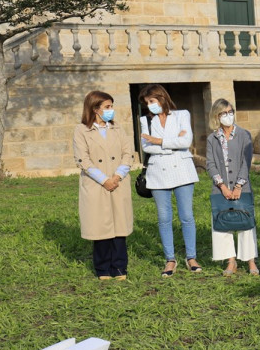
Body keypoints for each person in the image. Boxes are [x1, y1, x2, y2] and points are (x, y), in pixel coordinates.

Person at [138, 84, 201, 276]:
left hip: (182, 170)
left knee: (187, 216)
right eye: (147, 103)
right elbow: (146, 147)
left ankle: (191, 257)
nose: (150, 105)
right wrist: (173, 142)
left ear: (162, 98)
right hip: (158, 172)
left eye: (152, 101)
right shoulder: (145, 121)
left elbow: (186, 142)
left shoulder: (182, 115)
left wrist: (159, 141)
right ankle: (170, 259)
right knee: (164, 218)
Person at [73, 90, 135, 280]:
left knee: (119, 225)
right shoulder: (81, 130)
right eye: (107, 107)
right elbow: (83, 159)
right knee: (101, 226)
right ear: (95, 108)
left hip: (118, 181)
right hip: (96, 183)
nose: (111, 110)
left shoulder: (117, 129)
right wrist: (104, 180)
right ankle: (102, 268)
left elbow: (128, 153)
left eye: (111, 106)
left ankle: (119, 267)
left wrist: (117, 176)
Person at [205, 98, 259, 277]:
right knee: (222, 222)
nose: (228, 116)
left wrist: (238, 186)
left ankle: (250, 261)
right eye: (223, 113)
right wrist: (222, 186)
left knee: (246, 222)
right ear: (217, 116)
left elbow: (246, 162)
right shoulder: (212, 138)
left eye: (230, 112)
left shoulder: (244, 134)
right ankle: (230, 261)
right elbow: (210, 163)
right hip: (221, 188)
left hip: (241, 187)